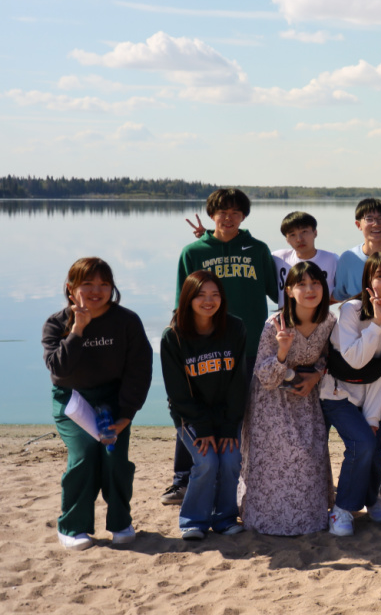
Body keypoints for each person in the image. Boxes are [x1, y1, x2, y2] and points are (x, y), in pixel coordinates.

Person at [168, 189, 278, 506]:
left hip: (251, 343)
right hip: (205, 345)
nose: (228, 218)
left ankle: (248, 476)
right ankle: (182, 480)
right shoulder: (194, 251)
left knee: (246, 412)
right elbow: (182, 301)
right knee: (194, 409)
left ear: (243, 216)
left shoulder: (257, 250)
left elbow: (278, 289)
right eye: (222, 212)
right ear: (212, 214)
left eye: (234, 212)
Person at [43, 258, 153, 550]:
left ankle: (120, 522)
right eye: (87, 284)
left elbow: (140, 369)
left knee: (114, 458)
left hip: (113, 399)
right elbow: (59, 370)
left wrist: (127, 414)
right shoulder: (57, 323)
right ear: (71, 289)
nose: (96, 291)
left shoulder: (127, 321)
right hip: (72, 400)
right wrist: (78, 330)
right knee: (86, 453)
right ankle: (72, 526)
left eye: (104, 284)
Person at [239, 262, 335, 536]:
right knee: (277, 459)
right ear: (289, 291)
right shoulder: (275, 324)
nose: (309, 290)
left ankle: (308, 519)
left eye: (315, 283)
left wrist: (316, 376)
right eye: (301, 284)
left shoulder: (329, 321)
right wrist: (282, 352)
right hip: (271, 404)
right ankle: (266, 521)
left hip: (306, 398)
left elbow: (329, 358)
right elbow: (263, 376)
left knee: (309, 456)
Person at [324, 252, 381, 538]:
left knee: (376, 448)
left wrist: (373, 417)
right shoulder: (351, 309)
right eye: (380, 275)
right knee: (362, 444)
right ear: (368, 280)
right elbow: (356, 360)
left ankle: (371, 497)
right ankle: (343, 508)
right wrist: (375, 323)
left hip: (371, 392)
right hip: (336, 392)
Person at [161, 271, 247, 540]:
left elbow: (238, 382)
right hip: (190, 416)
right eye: (201, 295)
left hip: (227, 414)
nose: (208, 301)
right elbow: (178, 392)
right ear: (188, 298)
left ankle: (224, 518)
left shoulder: (235, 328)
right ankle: (194, 520)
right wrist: (205, 427)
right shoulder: (173, 337)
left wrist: (229, 426)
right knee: (207, 461)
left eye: (215, 295)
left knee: (231, 459)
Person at [272, 211, 339, 307]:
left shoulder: (332, 259)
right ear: (287, 240)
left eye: (304, 232)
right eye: (292, 235)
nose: (299, 239)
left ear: (315, 233)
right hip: (285, 319)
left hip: (319, 320)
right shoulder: (278, 258)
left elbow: (343, 293)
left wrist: (318, 307)